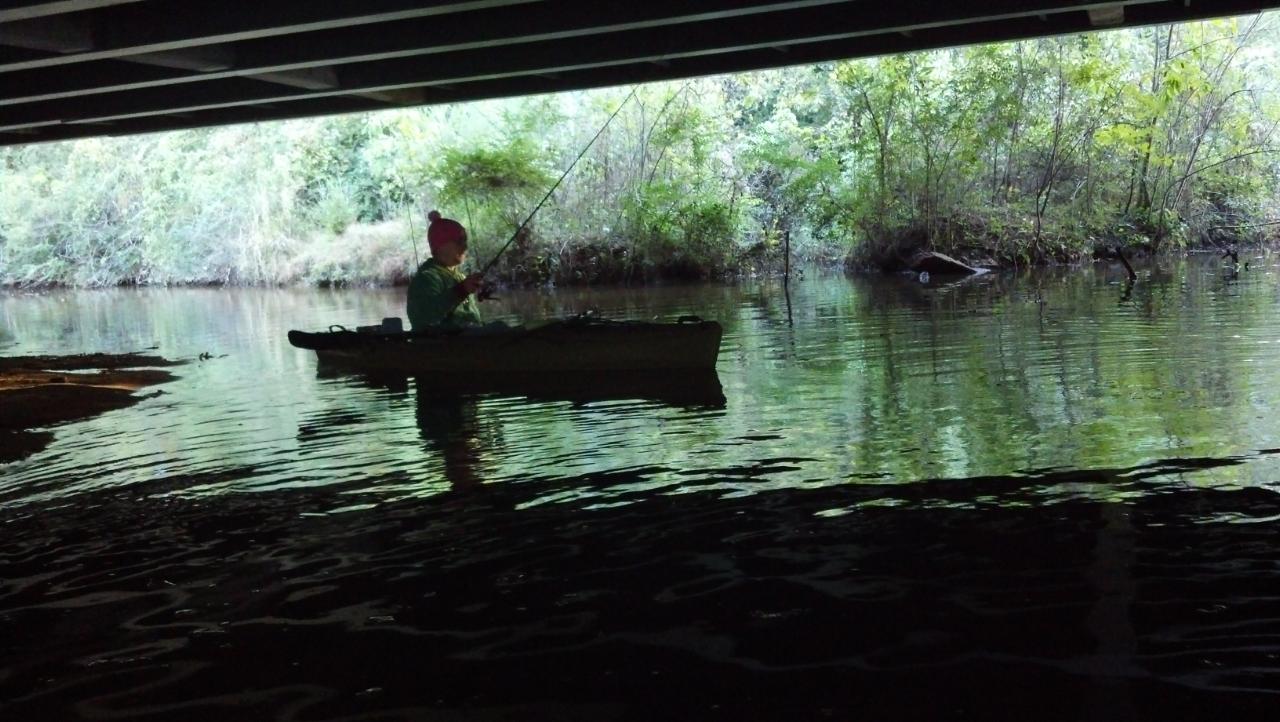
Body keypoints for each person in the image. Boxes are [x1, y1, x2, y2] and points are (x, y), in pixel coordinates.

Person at [407, 210, 485, 330]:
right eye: (460, 241)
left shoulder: (460, 277)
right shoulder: (426, 278)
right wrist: (461, 290)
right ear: (441, 246)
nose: (465, 246)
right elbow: (425, 317)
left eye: (465, 241)